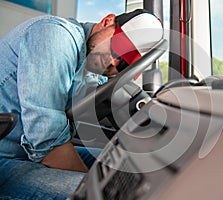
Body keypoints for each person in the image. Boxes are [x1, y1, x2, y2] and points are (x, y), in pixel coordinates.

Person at [0, 9, 163, 199]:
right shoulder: (56, 36)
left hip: (27, 152)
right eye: (117, 47)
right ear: (107, 21)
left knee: (128, 165)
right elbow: (46, 141)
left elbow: (111, 94)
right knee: (112, 194)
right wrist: (96, 186)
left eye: (124, 63)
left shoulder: (89, 62)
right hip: (7, 157)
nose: (112, 61)